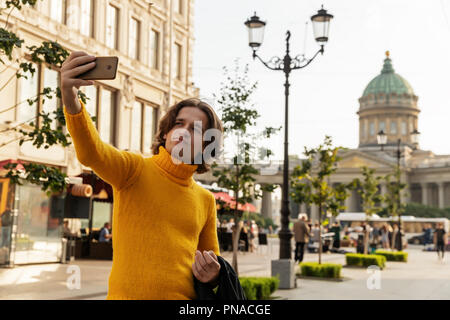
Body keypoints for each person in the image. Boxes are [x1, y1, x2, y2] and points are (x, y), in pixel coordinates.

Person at [61, 51, 224, 300]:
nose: (184, 132)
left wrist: (213, 274)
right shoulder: (134, 170)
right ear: (167, 133)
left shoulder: (205, 199)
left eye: (196, 129)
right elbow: (92, 152)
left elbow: (211, 266)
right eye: (179, 124)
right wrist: (70, 97)